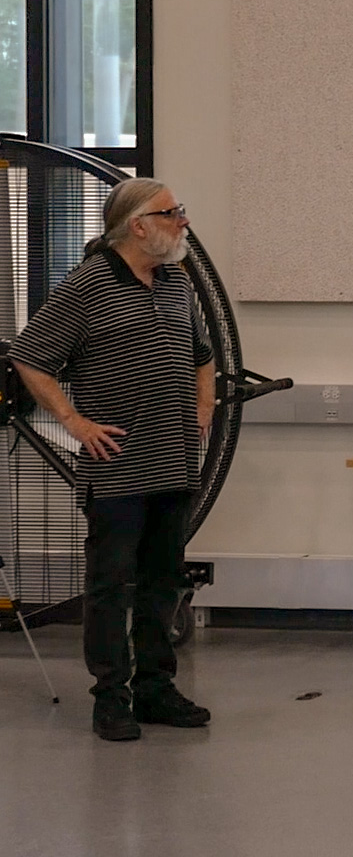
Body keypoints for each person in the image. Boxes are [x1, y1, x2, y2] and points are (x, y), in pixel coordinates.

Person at [9, 179, 215, 741]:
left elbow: (203, 355)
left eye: (181, 210)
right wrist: (74, 424)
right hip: (118, 465)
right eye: (170, 213)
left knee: (163, 581)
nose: (183, 222)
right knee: (111, 585)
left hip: (174, 461)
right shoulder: (89, 284)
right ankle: (110, 698)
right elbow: (30, 358)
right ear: (137, 226)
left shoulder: (176, 283)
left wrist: (203, 406)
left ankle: (155, 688)